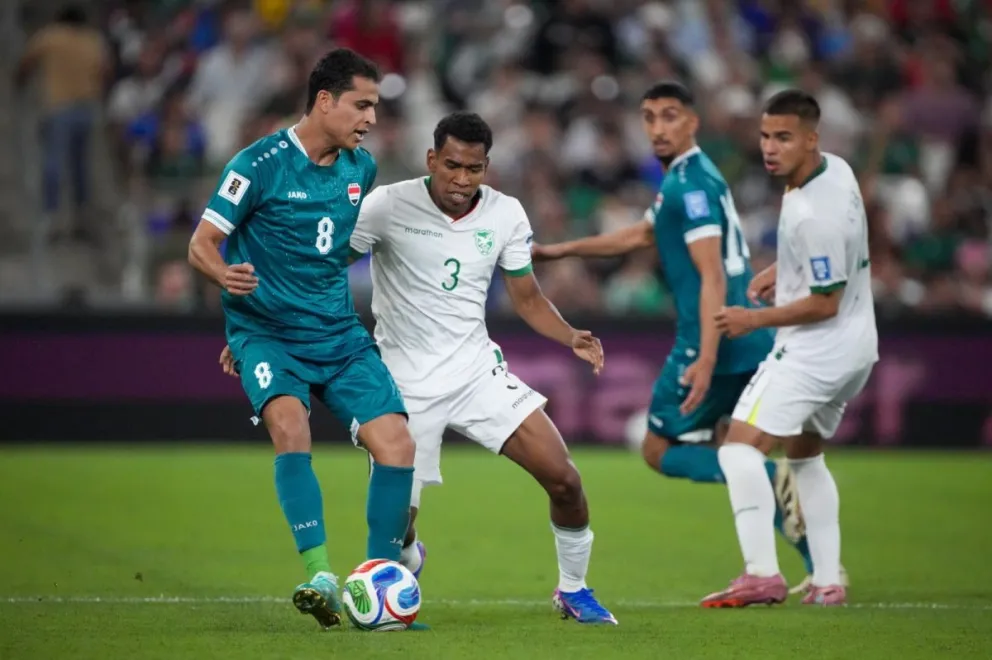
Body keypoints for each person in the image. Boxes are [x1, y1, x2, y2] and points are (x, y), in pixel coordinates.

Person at [221, 111, 618, 625]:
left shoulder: (506, 215)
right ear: (432, 159)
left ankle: (574, 589)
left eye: (473, 169)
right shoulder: (385, 205)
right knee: (399, 527)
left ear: (486, 168)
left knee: (564, 478)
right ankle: (405, 562)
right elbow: (317, 265)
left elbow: (527, 296)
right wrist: (261, 330)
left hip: (477, 373)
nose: (461, 179)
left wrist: (570, 335)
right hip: (403, 383)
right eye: (451, 165)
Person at [532, 81, 818, 581]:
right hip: (749, 338)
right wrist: (561, 250)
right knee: (738, 449)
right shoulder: (689, 179)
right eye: (648, 117)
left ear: (692, 122)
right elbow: (641, 233)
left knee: (658, 449)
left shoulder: (690, 186)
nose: (657, 128)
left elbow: (710, 273)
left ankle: (771, 483)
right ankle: (820, 571)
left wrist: (705, 356)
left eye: (669, 116)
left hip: (712, 338)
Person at [188, 48, 416, 630]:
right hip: (267, 334)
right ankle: (319, 574)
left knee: (398, 445)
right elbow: (202, 244)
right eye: (362, 105)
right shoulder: (257, 162)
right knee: (290, 426)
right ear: (324, 100)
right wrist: (228, 287)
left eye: (375, 107)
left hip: (337, 332)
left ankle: (377, 582)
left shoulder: (360, 169)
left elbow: (326, 251)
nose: (370, 118)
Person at [702, 89, 877, 608]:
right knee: (805, 456)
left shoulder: (812, 214)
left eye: (783, 138)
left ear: (810, 139)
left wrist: (753, 318)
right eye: (765, 135)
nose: (770, 148)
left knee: (737, 449)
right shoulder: (835, 171)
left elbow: (824, 302)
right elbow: (842, 256)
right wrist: (786, 270)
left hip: (814, 351)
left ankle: (761, 573)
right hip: (857, 347)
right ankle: (827, 581)